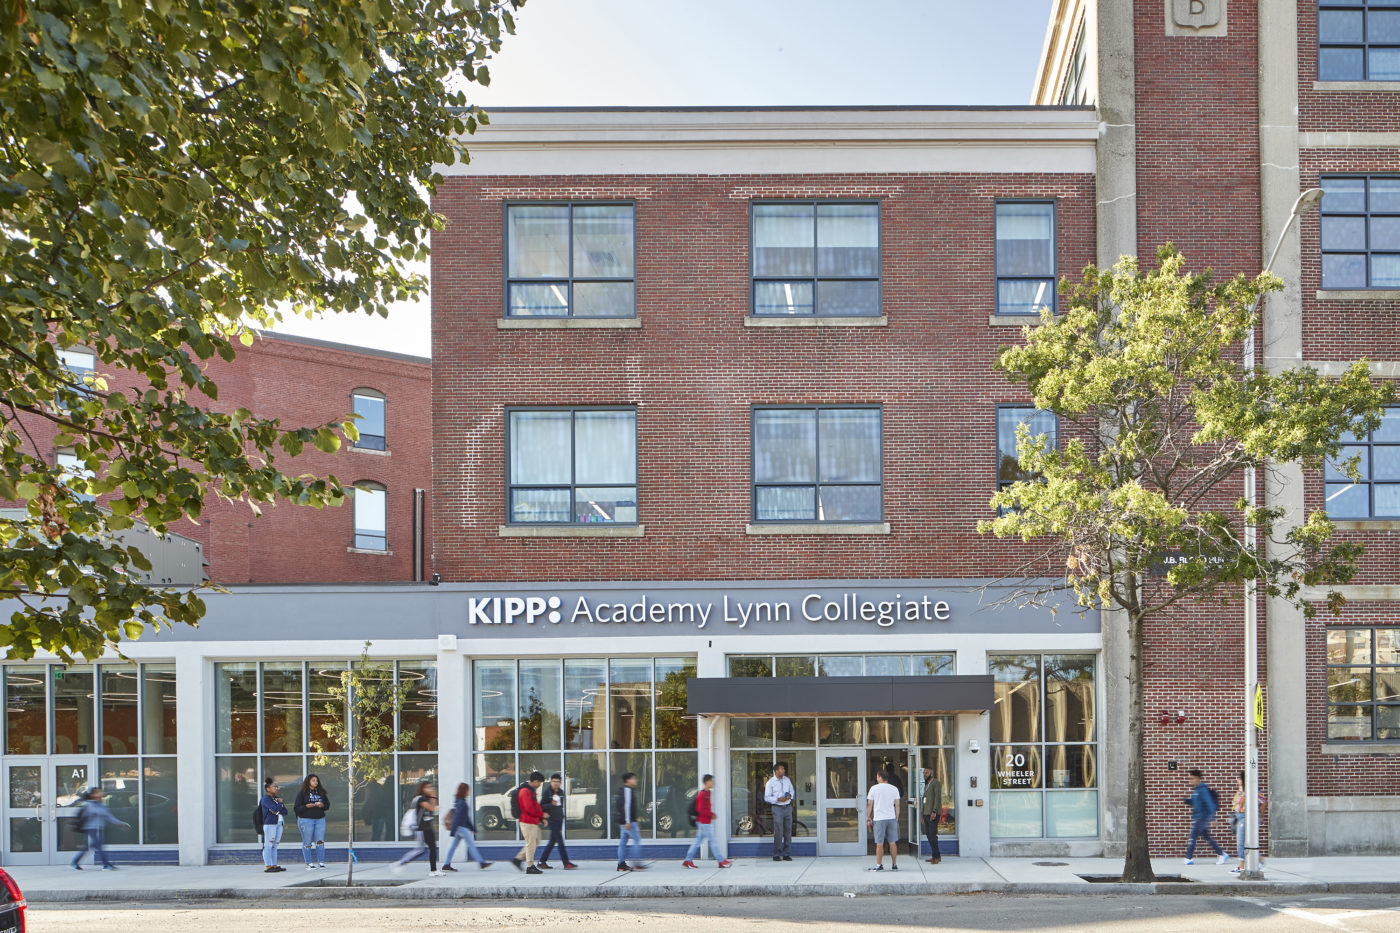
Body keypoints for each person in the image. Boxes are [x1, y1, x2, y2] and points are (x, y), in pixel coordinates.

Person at [70, 786, 130, 871]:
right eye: (98, 792)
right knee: (99, 846)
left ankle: (74, 862)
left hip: (99, 829)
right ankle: (106, 865)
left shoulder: (102, 805)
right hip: (91, 829)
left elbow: (109, 816)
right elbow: (91, 813)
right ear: (92, 795)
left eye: (101, 792)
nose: (101, 793)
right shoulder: (89, 804)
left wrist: (120, 823)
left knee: (87, 847)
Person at [392, 780, 442, 876]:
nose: (430, 789)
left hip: (427, 827)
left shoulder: (427, 798)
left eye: (431, 787)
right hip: (421, 829)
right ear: (422, 789)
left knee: (427, 848)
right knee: (422, 849)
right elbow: (432, 808)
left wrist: (433, 797)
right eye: (427, 787)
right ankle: (400, 863)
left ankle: (433, 870)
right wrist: (434, 795)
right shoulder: (420, 799)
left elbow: (434, 809)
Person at [682, 774, 732, 869]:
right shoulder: (702, 794)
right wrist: (711, 814)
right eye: (711, 781)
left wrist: (710, 815)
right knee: (713, 841)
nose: (713, 783)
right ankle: (721, 861)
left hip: (704, 822)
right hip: (704, 822)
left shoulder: (708, 793)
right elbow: (700, 809)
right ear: (706, 782)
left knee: (697, 841)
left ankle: (687, 860)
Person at [1182, 768, 1229, 865]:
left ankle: (1188, 858)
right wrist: (1187, 801)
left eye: (1193, 778)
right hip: (1198, 817)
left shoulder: (1203, 790)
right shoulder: (1197, 790)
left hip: (1201, 818)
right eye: (1190, 779)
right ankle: (1222, 854)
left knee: (1192, 837)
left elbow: (1210, 803)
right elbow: (1196, 802)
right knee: (1208, 837)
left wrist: (1213, 818)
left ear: (1199, 778)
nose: (1191, 781)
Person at [441, 782, 492, 871]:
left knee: (453, 846)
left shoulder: (459, 801)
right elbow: (457, 817)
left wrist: (472, 828)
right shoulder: (462, 803)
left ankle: (446, 864)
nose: (469, 792)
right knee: (471, 845)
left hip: (459, 828)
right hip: (462, 828)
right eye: (468, 790)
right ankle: (481, 863)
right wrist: (454, 830)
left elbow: (465, 817)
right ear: (464, 791)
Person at [538, 773, 577, 870]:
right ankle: (566, 863)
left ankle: (542, 861)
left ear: (560, 783)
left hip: (559, 819)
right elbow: (541, 806)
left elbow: (560, 806)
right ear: (551, 782)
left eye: (557, 781)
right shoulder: (547, 792)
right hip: (551, 820)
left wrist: (562, 816)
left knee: (552, 842)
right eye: (553, 781)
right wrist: (551, 805)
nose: (555, 783)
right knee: (560, 841)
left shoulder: (561, 792)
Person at [1231, 770, 1267, 873]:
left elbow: (1264, 801)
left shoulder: (1251, 791)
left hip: (1246, 817)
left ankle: (1241, 866)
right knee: (1247, 843)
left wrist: (1260, 815)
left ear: (1243, 780)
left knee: (1241, 842)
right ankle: (1260, 860)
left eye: (1239, 778)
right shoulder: (1240, 791)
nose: (1237, 780)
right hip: (1238, 817)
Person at [865, 769, 902, 871]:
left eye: (877, 776)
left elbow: (869, 804)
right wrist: (896, 817)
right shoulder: (894, 788)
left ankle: (879, 865)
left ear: (880, 777)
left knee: (879, 843)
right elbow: (897, 805)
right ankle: (894, 864)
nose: (876, 778)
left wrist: (867, 817)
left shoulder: (874, 788)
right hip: (891, 817)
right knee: (892, 842)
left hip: (879, 819)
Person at [293, 773, 330, 870]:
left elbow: (327, 805)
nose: (316, 782)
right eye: (313, 780)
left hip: (320, 819)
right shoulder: (302, 793)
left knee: (320, 841)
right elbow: (296, 808)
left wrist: (322, 805)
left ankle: (321, 862)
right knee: (307, 842)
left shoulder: (321, 792)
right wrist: (306, 806)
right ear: (308, 781)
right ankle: (309, 863)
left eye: (317, 780)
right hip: (306, 820)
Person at [511, 772, 545, 875]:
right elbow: (529, 808)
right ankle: (530, 866)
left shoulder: (531, 790)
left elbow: (536, 805)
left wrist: (541, 817)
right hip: (527, 821)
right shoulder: (525, 791)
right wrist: (541, 815)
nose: (540, 785)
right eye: (539, 783)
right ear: (535, 781)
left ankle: (518, 859)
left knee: (536, 841)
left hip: (533, 821)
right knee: (531, 843)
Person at [615, 771, 646, 871]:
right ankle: (636, 863)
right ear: (628, 780)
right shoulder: (627, 790)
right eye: (633, 778)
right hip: (628, 822)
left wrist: (635, 820)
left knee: (623, 842)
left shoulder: (623, 790)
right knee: (637, 840)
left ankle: (621, 864)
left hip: (624, 821)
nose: (636, 780)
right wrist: (628, 821)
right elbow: (627, 806)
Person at [764, 761, 795, 862]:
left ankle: (786, 854)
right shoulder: (770, 782)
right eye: (782, 769)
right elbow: (767, 797)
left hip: (788, 808)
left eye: (784, 769)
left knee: (788, 831)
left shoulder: (787, 780)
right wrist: (777, 799)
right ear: (776, 771)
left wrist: (789, 796)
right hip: (777, 808)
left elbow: (792, 791)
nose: (784, 770)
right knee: (778, 832)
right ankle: (776, 854)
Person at [260, 777, 289, 873]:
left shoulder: (276, 799)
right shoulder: (265, 799)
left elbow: (285, 811)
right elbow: (275, 809)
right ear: (268, 788)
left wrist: (278, 806)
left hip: (279, 823)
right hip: (270, 824)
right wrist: (279, 804)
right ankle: (268, 866)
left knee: (275, 845)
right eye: (274, 787)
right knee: (268, 845)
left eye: (277, 787)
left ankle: (274, 865)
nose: (276, 788)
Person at [920, 765, 943, 865]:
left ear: (931, 773)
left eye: (926, 773)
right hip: (926, 813)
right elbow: (924, 800)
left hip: (932, 813)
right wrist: (922, 815)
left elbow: (937, 798)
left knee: (933, 835)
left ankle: (937, 857)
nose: (924, 774)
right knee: (928, 835)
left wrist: (934, 811)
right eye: (924, 773)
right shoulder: (926, 784)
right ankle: (934, 856)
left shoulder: (936, 783)